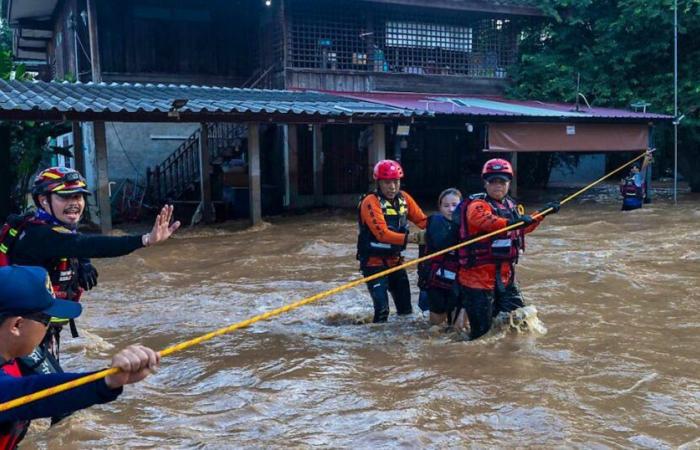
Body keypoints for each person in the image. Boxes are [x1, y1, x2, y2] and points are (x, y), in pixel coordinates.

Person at [0, 167, 178, 384]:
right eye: (65, 197)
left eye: (79, 196)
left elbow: (73, 244)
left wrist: (82, 263)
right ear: (43, 200)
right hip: (17, 332)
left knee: (42, 395)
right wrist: (144, 240)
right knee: (57, 398)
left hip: (38, 327)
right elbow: (87, 244)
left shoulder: (50, 228)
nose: (75, 202)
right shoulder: (37, 235)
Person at [0, 265, 159, 450]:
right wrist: (107, 380)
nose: (48, 327)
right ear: (17, 325)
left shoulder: (13, 357)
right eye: (46, 319)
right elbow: (28, 392)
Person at [454, 158, 559, 340]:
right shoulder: (477, 205)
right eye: (493, 181)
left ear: (508, 183)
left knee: (522, 320)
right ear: (485, 183)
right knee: (481, 335)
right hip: (478, 280)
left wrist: (541, 215)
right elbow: (483, 220)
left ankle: (511, 356)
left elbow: (522, 228)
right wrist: (511, 223)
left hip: (505, 277)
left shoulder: (510, 206)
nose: (497, 186)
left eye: (502, 181)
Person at [357, 160, 427, 323]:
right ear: (378, 183)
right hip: (373, 264)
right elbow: (382, 234)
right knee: (382, 311)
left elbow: (423, 221)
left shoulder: (405, 199)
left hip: (396, 262)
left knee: (406, 311)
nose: (392, 187)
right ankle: (377, 343)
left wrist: (444, 226)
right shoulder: (370, 202)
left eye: (396, 182)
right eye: (387, 182)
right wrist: (412, 238)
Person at [417, 188, 465, 328]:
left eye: (455, 205)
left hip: (460, 281)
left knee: (459, 328)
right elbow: (441, 243)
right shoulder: (435, 223)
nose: (451, 209)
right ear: (440, 208)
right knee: (436, 328)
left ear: (462, 206)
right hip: (437, 282)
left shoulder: (469, 225)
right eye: (446, 206)